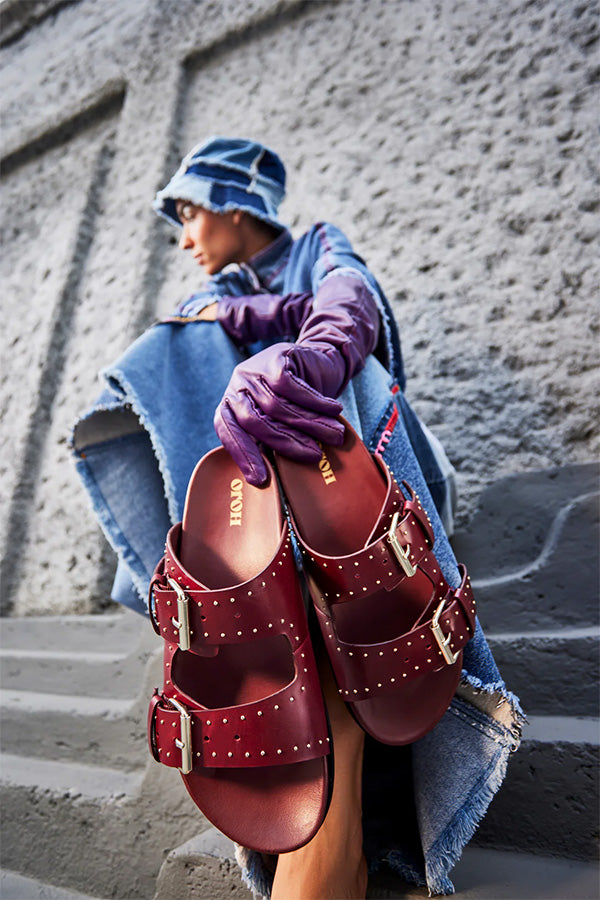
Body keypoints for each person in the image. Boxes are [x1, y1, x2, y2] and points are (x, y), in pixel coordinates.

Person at [72, 137, 523, 898]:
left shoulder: (315, 246)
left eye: (189, 214)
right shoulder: (203, 308)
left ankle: (331, 738)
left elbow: (350, 299)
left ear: (232, 204)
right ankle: (255, 596)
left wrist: (304, 357)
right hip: (260, 507)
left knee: (319, 360)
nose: (184, 239)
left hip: (355, 472)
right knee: (179, 345)